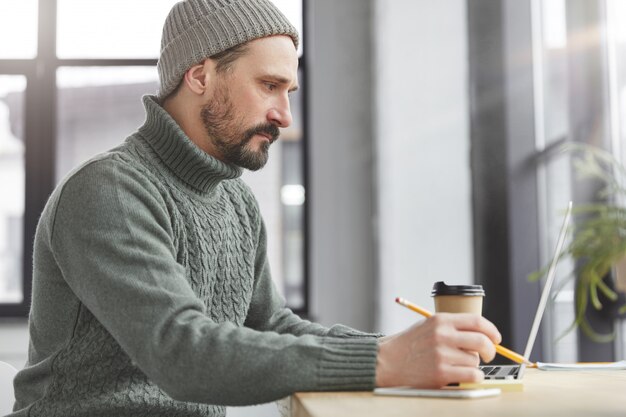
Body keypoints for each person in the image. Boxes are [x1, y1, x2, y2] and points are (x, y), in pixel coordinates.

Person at [9, 0, 502, 416]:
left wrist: (413, 349)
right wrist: (387, 360)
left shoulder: (234, 199)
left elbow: (271, 325)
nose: (285, 115)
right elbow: (182, 352)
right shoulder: (110, 189)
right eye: (269, 85)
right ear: (200, 75)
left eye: (289, 92)